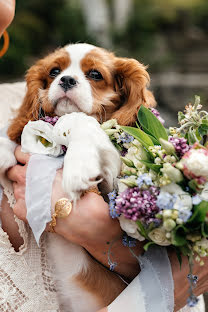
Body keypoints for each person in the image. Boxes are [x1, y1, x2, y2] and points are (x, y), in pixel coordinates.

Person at [0, 1, 206, 311]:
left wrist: (99, 232)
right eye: (56, 72)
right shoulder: (23, 115)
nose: (66, 79)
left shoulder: (142, 150)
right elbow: (181, 282)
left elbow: (195, 273)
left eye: (94, 74)